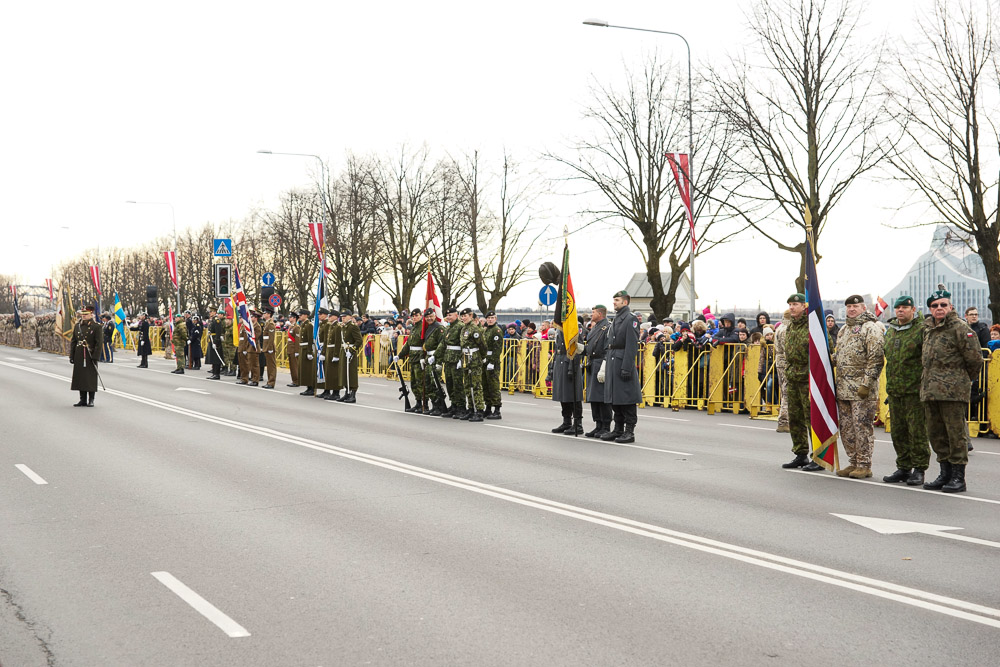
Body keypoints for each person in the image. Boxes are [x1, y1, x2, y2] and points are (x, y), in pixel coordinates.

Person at [921, 289, 984, 493]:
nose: (939, 309)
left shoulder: (960, 328)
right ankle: (944, 473)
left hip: (953, 392)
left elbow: (975, 360)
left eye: (943, 305)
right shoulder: (928, 329)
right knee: (936, 434)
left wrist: (960, 381)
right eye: (935, 306)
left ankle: (958, 476)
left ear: (950, 306)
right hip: (930, 391)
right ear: (930, 309)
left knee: (955, 434)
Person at [833, 295, 884, 479]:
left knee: (862, 426)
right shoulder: (844, 329)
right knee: (847, 427)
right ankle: (853, 461)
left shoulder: (871, 328)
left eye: (855, 306)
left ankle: (864, 464)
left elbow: (876, 359)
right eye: (848, 307)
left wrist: (867, 384)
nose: (851, 309)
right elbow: (840, 356)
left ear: (863, 307)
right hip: (844, 388)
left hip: (862, 389)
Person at [882, 296, 931, 486]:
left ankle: (919, 468)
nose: (901, 310)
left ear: (913, 309)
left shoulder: (921, 329)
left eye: (905, 307)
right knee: (898, 431)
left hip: (914, 390)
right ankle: (903, 467)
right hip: (895, 390)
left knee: (917, 432)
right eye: (898, 308)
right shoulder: (892, 330)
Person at [777, 294, 820, 469]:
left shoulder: (813, 326)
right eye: (790, 304)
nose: (791, 307)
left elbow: (823, 351)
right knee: (795, 418)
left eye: (795, 304)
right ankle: (800, 454)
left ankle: (818, 456)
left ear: (804, 306)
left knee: (812, 419)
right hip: (793, 377)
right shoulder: (791, 327)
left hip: (808, 379)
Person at [600, 290, 641, 443]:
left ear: (625, 302)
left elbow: (631, 345)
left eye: (617, 300)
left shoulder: (630, 319)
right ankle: (617, 429)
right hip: (613, 361)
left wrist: (626, 367)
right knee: (615, 399)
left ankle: (629, 432)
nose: (614, 302)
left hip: (622, 362)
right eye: (614, 300)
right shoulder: (617, 319)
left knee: (627, 399)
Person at [548, 323, 584, 435]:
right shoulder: (560, 327)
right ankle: (566, 421)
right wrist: (552, 368)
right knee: (563, 395)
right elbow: (557, 348)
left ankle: (578, 424)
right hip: (560, 361)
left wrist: (571, 367)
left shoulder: (574, 325)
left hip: (569, 361)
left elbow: (577, 348)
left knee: (573, 395)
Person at [584, 305, 613, 437]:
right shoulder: (595, 327)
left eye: (593, 312)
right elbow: (590, 346)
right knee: (593, 397)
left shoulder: (607, 327)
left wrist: (604, 368)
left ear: (600, 314)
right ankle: (598, 424)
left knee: (602, 397)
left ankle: (606, 426)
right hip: (592, 363)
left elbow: (608, 349)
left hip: (600, 363)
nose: (592, 314)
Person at [435, 307, 466, 418]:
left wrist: (461, 359)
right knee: (449, 384)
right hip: (448, 359)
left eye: (450, 315)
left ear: (456, 315)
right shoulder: (448, 328)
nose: (448, 317)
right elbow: (443, 344)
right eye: (447, 315)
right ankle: (454, 405)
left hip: (456, 359)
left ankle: (461, 408)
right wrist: (436, 356)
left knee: (458, 385)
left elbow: (464, 344)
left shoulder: (461, 327)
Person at [69, 306, 103, 407]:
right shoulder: (77, 326)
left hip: (90, 354)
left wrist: (96, 356)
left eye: (86, 314)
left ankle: (91, 399)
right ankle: (82, 399)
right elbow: (74, 341)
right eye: (82, 315)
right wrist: (72, 355)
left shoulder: (96, 326)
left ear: (91, 315)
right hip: (79, 354)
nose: (84, 316)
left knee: (90, 378)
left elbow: (99, 343)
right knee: (80, 377)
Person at [458, 308, 486, 421]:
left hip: (474, 359)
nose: (464, 318)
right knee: (467, 385)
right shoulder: (464, 328)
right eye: (462, 316)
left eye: (466, 316)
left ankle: (479, 410)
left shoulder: (474, 329)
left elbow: (482, 345)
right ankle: (470, 408)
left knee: (476, 385)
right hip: (465, 358)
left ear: (471, 316)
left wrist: (482, 357)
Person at [337, 308, 363, 403]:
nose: (343, 318)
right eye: (342, 317)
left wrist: (352, 350)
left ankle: (353, 394)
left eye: (345, 316)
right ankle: (347, 392)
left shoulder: (353, 327)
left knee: (351, 373)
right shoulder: (343, 327)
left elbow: (359, 341)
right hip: (344, 351)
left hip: (350, 352)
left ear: (350, 317)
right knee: (344, 372)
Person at [482, 310, 504, 419]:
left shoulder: (497, 330)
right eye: (488, 318)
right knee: (485, 385)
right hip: (485, 360)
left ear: (495, 319)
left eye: (492, 318)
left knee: (493, 386)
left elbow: (497, 349)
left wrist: (492, 362)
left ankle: (497, 409)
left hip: (492, 362)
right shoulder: (486, 330)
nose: (490, 320)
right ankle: (488, 407)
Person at [322, 309, 343, 401]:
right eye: (329, 316)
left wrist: (336, 355)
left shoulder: (338, 327)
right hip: (329, 351)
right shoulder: (331, 326)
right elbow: (327, 341)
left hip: (334, 351)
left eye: (331, 316)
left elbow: (338, 342)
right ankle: (329, 391)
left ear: (336, 317)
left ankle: (336, 392)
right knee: (329, 373)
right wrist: (324, 352)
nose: (329, 317)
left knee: (334, 373)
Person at [238, 311, 262, 387]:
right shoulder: (247, 326)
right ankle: (244, 378)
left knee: (254, 365)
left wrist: (246, 348)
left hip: (253, 348)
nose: (250, 318)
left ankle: (255, 380)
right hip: (245, 347)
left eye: (252, 317)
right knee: (244, 364)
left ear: (256, 318)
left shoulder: (257, 326)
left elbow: (254, 338)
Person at [297, 309, 317, 396]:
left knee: (308, 369)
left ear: (306, 315)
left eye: (301, 315)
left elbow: (310, 339)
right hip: (302, 348)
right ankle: (308, 387)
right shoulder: (303, 324)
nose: (300, 316)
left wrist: (309, 351)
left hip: (306, 349)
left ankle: (311, 388)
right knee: (304, 369)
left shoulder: (309, 325)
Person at [315, 308, 331, 398]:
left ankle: (327, 390)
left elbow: (326, 340)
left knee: (325, 370)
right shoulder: (322, 324)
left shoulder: (327, 325)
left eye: (321, 314)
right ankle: (325, 389)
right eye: (318, 314)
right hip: (320, 348)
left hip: (324, 348)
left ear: (325, 315)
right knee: (322, 370)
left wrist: (323, 352)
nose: (319, 316)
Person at [206, 308, 226, 380]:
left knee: (216, 357)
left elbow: (218, 332)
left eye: (211, 312)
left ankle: (217, 374)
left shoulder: (217, 320)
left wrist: (215, 342)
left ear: (215, 312)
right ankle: (214, 373)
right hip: (212, 338)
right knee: (213, 357)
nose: (210, 313)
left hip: (215, 340)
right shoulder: (213, 319)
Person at [260, 307, 277, 388]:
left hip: (269, 347)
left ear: (269, 314)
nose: (264, 314)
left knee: (271, 366)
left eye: (265, 313)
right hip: (266, 346)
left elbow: (271, 337)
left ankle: (271, 382)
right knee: (269, 366)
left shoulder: (270, 324)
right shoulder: (267, 323)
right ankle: (269, 381)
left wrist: (270, 348)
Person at [287, 313, 301, 387]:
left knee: (295, 366)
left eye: (291, 317)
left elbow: (297, 340)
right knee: (292, 366)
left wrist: (297, 351)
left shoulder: (297, 327)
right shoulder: (291, 327)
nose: (289, 318)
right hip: (290, 349)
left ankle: (297, 381)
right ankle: (294, 380)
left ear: (294, 318)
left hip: (293, 349)